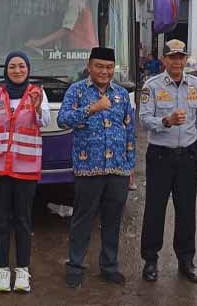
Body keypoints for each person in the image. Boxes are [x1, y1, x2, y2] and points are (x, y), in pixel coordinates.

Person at [57, 47, 135, 289]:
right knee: (82, 219)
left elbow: (129, 133)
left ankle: (109, 266)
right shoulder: (77, 91)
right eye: (99, 66)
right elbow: (62, 120)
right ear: (90, 66)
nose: (104, 71)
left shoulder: (122, 95)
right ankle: (76, 265)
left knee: (113, 220)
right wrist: (92, 108)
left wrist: (130, 168)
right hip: (87, 168)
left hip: (117, 170)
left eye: (109, 67)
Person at [0, 51, 50, 293]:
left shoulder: (37, 93)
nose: (17, 70)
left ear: (28, 69)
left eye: (21, 66)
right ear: (6, 70)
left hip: (26, 169)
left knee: (23, 219)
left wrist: (39, 109)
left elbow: (45, 122)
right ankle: (2, 269)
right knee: (0, 220)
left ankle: (22, 270)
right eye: (12, 67)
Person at [137, 39, 197, 284]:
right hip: (160, 155)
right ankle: (150, 260)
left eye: (181, 57)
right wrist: (165, 121)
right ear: (164, 60)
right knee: (155, 208)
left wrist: (189, 131)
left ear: (185, 59)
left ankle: (186, 260)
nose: (177, 62)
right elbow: (144, 119)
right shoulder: (151, 86)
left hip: (188, 154)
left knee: (186, 209)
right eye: (172, 57)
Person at [25, 0, 97, 50]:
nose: (57, 0)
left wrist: (39, 42)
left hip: (83, 49)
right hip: (78, 49)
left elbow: (66, 29)